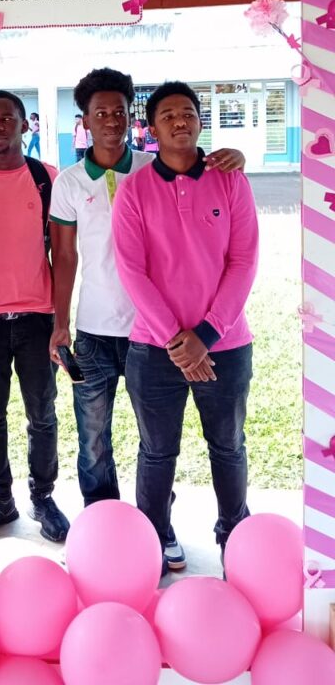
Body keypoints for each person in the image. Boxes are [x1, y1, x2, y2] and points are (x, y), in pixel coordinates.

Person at [49, 67, 246, 574]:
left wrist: (198, 337)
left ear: (135, 121)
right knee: (99, 439)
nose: (111, 120)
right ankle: (110, 536)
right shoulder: (77, 183)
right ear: (85, 121)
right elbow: (68, 257)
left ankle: (195, 532)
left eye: (119, 111)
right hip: (106, 330)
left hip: (165, 336)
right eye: (100, 113)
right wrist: (59, 322)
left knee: (191, 445)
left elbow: (237, 251)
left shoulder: (153, 168)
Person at [112, 81, 258, 574]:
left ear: (199, 120)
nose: (180, 121)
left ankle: (234, 538)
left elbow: (243, 261)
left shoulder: (230, 180)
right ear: (151, 129)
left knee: (229, 446)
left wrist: (207, 337)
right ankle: (153, 540)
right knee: (156, 452)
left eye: (189, 112)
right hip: (156, 350)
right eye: (168, 114)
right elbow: (132, 270)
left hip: (226, 345)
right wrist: (179, 342)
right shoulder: (134, 190)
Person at [0, 90, 69, 545]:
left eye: (8, 118)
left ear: (26, 126)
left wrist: (61, 322)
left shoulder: (47, 179)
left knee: (42, 415)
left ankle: (42, 498)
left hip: (37, 318)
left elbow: (64, 254)